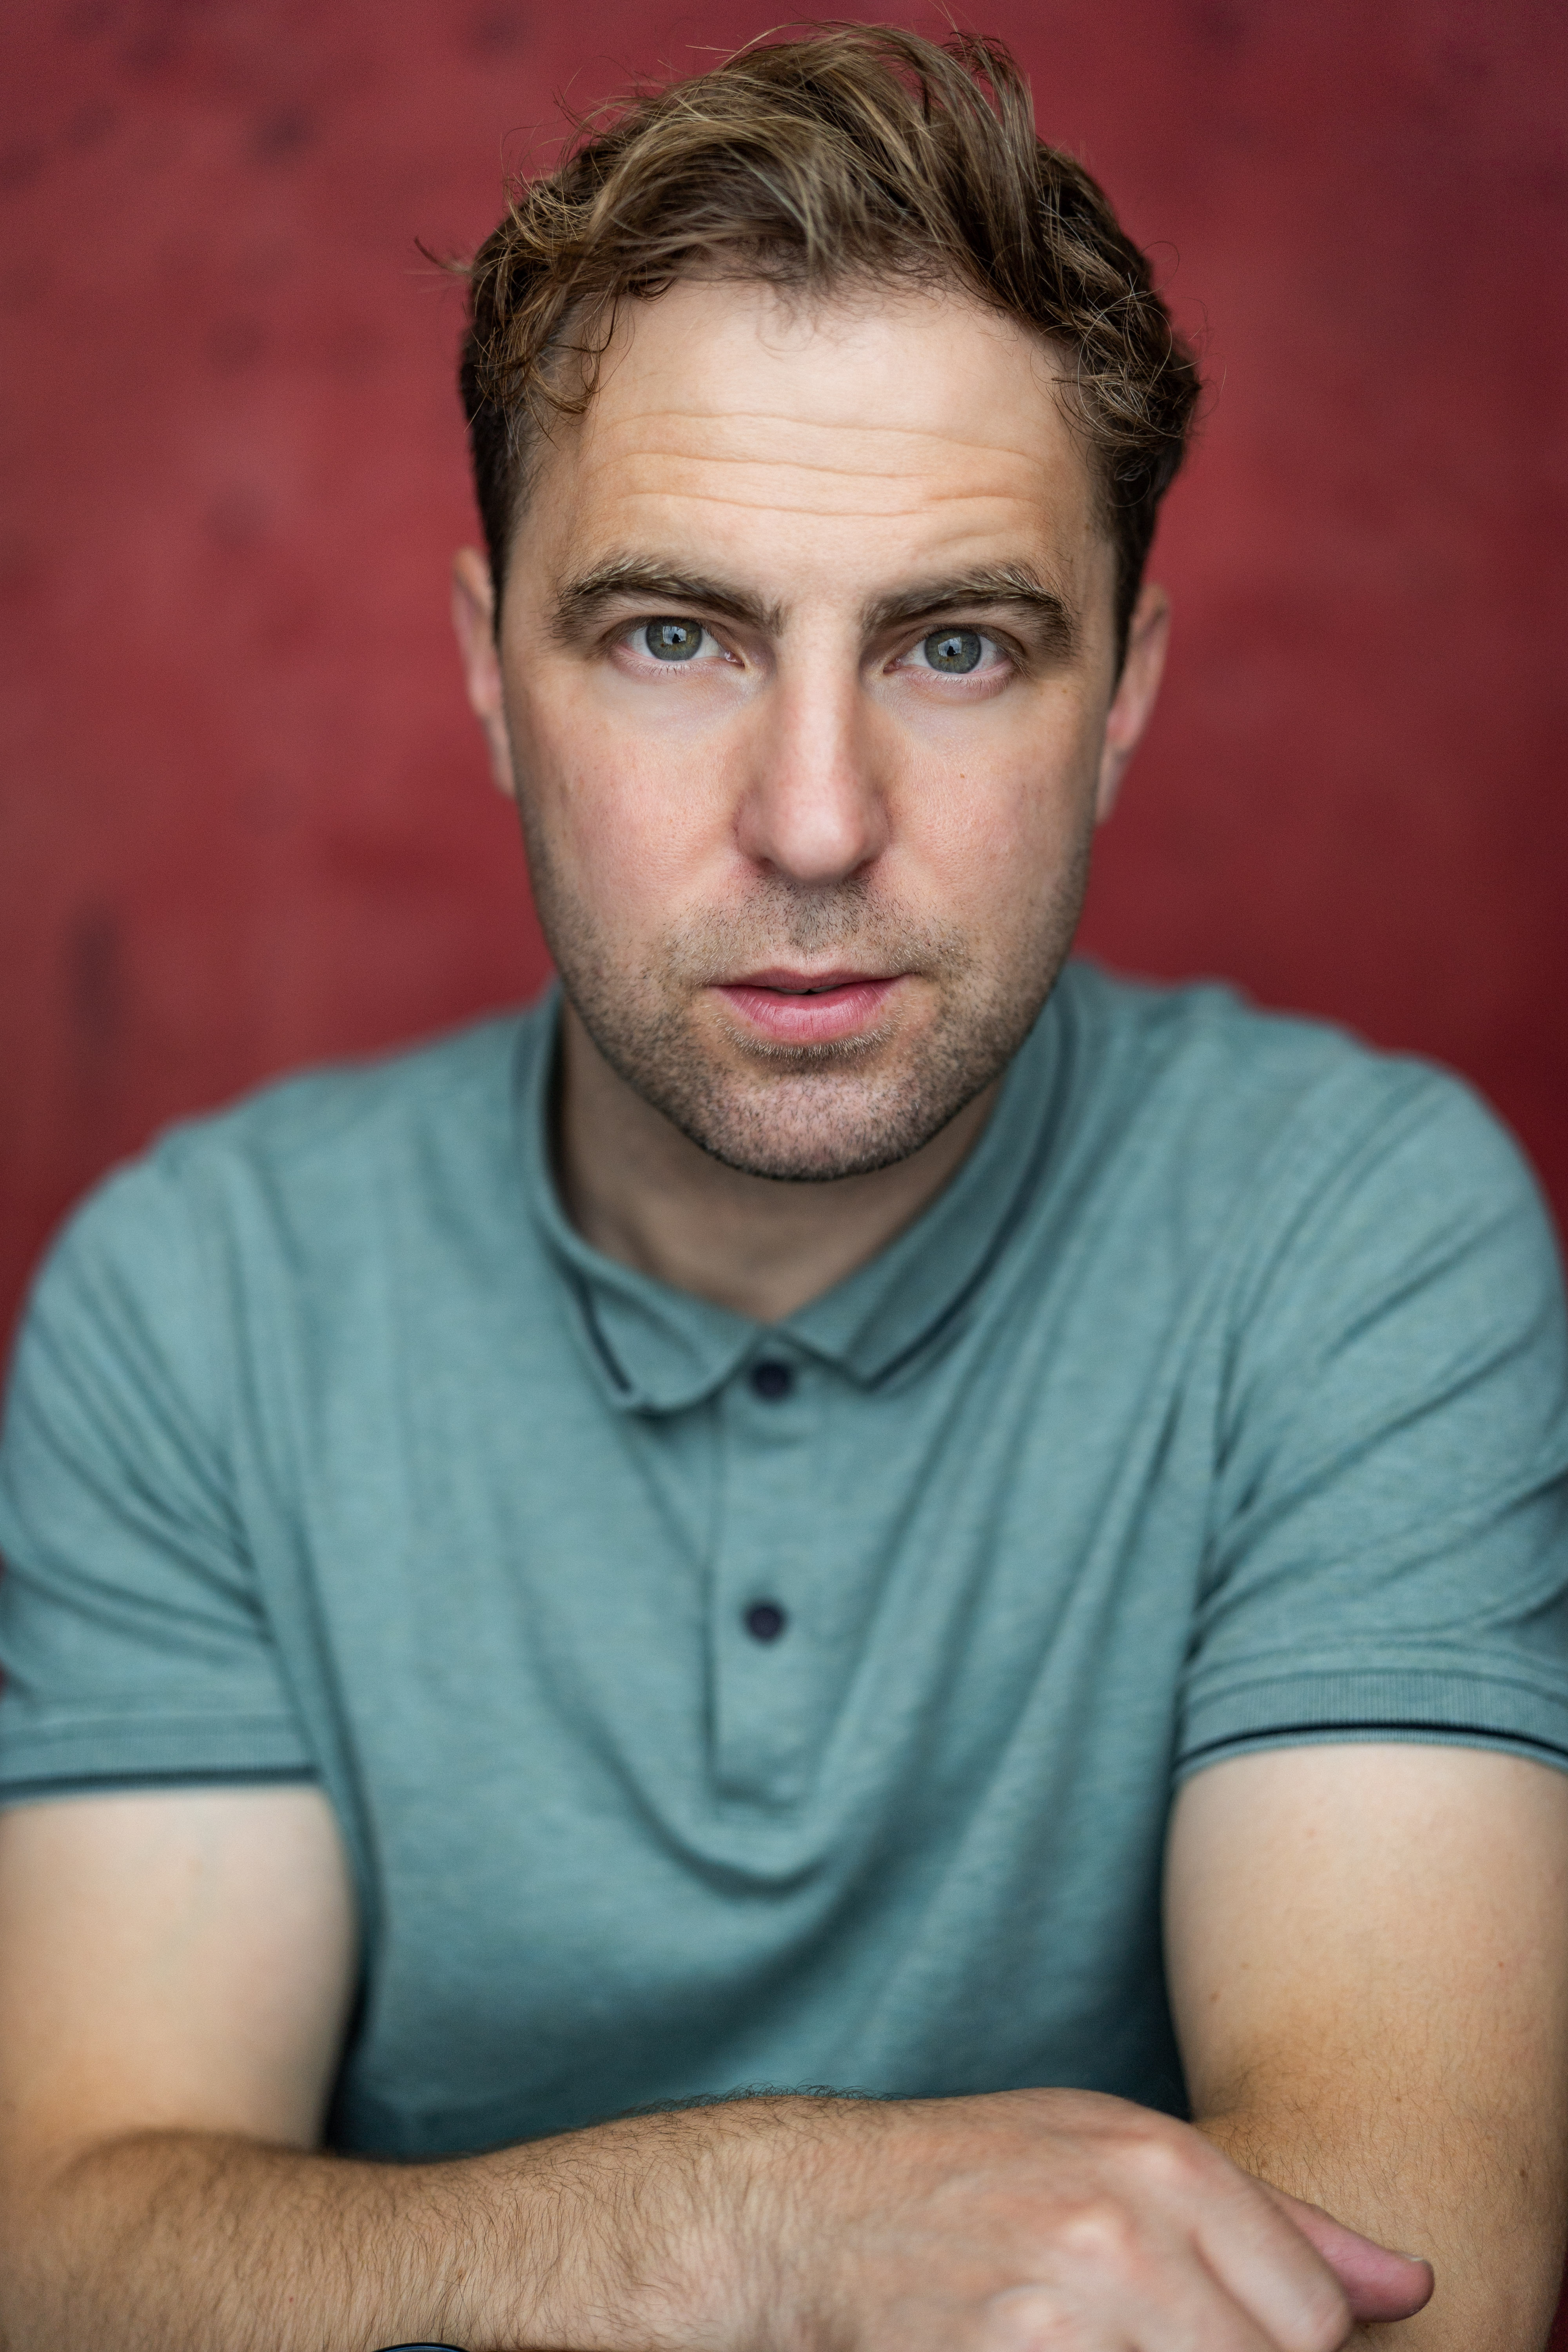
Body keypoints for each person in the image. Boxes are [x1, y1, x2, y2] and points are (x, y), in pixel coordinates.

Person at [0, 24, 1565, 2351]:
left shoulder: (1356, 1236)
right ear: (489, 676)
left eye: (959, 646)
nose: (816, 822)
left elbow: (1419, 2281)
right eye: (674, 636)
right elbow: (71, 2253)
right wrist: (754, 2234)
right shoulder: (202, 1303)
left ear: (1126, 695)